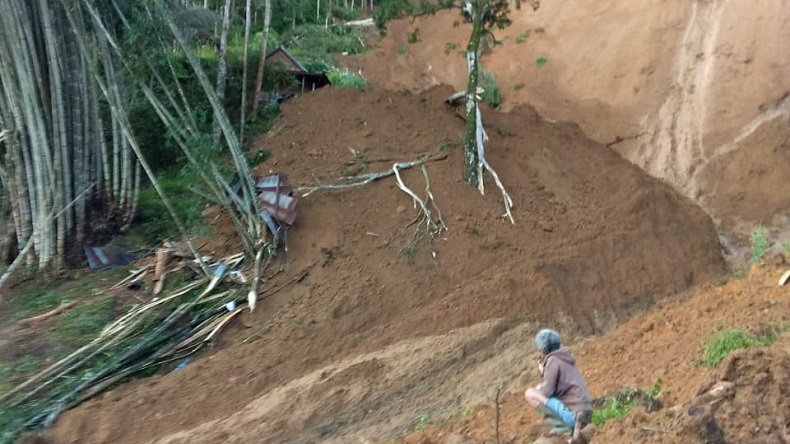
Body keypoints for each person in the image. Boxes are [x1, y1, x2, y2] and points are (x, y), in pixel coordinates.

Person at [524, 329, 595, 443]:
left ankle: (563, 427)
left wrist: (543, 371)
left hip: (574, 416)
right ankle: (571, 430)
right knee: (538, 389)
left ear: (543, 349)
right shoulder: (565, 357)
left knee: (530, 393)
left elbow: (547, 392)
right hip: (586, 414)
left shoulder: (552, 361)